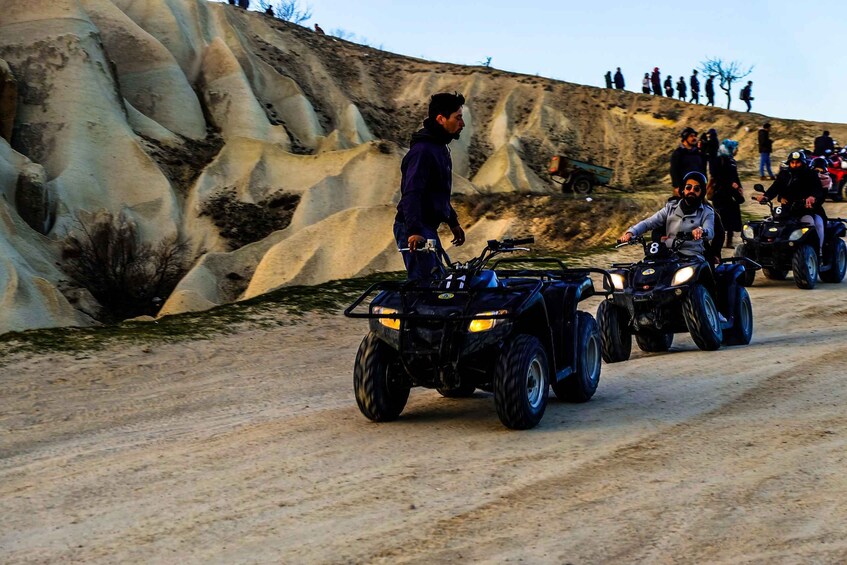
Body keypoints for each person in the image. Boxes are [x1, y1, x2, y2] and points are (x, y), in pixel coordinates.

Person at [394, 92, 467, 281]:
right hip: (415, 226)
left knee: (438, 281)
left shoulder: (439, 148)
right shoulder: (423, 151)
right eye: (458, 118)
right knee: (426, 286)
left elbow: (437, 193)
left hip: (426, 226)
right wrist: (414, 231)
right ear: (441, 119)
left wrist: (453, 222)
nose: (462, 124)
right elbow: (412, 193)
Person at [619, 171, 715, 260]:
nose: (692, 191)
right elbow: (648, 223)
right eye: (688, 187)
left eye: (696, 189)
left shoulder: (707, 212)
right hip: (668, 254)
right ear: (683, 190)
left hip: (692, 256)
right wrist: (631, 233)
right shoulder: (670, 208)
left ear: (701, 192)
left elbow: (710, 232)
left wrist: (701, 231)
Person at [756, 151, 826, 256]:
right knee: (770, 225)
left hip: (804, 210)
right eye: (792, 162)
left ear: (803, 163)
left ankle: (817, 252)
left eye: (797, 163)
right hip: (786, 210)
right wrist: (766, 196)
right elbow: (775, 187)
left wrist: (812, 197)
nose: (794, 165)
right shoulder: (784, 174)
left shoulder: (810, 174)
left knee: (812, 225)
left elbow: (817, 189)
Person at [709, 139, 744, 248]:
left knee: (731, 219)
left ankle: (729, 242)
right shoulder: (718, 160)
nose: (737, 150)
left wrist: (739, 187)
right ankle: (716, 242)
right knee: (720, 219)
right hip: (720, 194)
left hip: (731, 194)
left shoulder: (731, 160)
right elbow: (716, 175)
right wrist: (730, 183)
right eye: (735, 148)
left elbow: (735, 176)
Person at [670, 127, 707, 196]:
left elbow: (703, 169)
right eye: (691, 136)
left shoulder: (698, 153)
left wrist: (704, 183)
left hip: (698, 189)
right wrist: (676, 186)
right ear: (685, 138)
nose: (694, 138)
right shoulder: (678, 153)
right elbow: (674, 170)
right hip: (683, 189)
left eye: (695, 136)